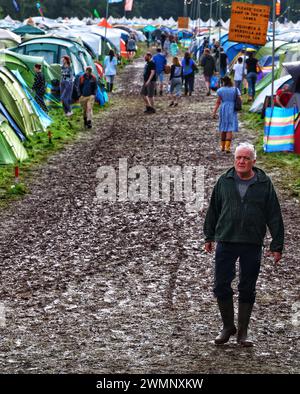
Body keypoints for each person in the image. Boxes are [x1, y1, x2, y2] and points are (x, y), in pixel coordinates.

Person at [203, 142, 284, 347]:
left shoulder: (264, 183)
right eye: (239, 157)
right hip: (226, 239)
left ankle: (243, 333)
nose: (241, 161)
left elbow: (274, 214)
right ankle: (228, 326)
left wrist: (277, 244)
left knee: (247, 287)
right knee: (221, 285)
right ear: (234, 159)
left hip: (252, 241)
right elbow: (214, 208)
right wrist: (209, 236)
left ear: (253, 161)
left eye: (246, 158)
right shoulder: (224, 180)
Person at [213, 76, 241, 153]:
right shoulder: (235, 89)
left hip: (223, 108)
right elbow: (239, 99)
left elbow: (218, 102)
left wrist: (214, 112)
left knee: (223, 127)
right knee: (230, 128)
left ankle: (222, 146)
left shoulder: (220, 90)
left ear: (223, 82)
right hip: (232, 109)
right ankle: (227, 148)